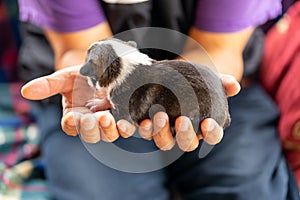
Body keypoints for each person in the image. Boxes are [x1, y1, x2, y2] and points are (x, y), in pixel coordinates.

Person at [18, 0, 298, 199]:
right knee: (99, 193)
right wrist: (92, 89)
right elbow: (81, 47)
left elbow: (217, 48)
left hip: (220, 79)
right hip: (91, 106)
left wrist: (189, 95)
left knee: (249, 188)